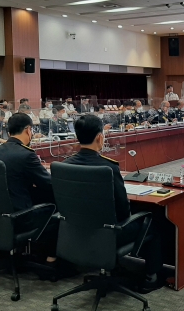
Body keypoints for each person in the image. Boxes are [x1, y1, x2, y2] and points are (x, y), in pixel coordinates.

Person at [63, 115, 162, 291]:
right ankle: (151, 277)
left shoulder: (65, 165)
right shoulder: (108, 167)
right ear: (100, 137)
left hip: (75, 231)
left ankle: (115, 266)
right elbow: (123, 209)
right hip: (109, 234)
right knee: (153, 221)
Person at [0, 113, 58, 261]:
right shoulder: (26, 155)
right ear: (28, 130)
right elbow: (49, 183)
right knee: (55, 201)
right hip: (21, 216)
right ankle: (50, 256)